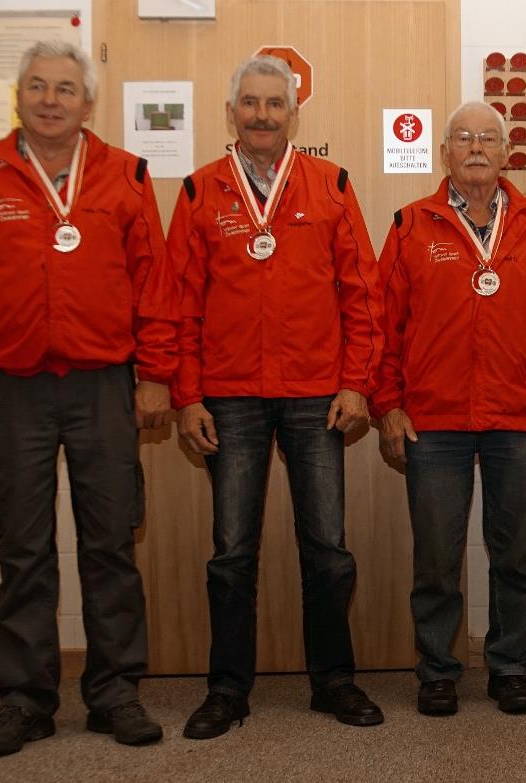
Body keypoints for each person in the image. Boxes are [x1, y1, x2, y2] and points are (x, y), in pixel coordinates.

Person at [0, 40, 176, 756]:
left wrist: (156, 373)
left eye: (66, 89)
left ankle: (115, 691)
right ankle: (26, 699)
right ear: (19, 95)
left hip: (104, 384)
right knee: (24, 547)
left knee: (110, 544)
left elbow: (153, 283)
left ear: (88, 103)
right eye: (37, 86)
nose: (50, 100)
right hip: (13, 387)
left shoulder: (125, 175)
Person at [168, 55, 385, 738]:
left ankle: (334, 681)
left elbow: (363, 293)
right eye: (250, 103)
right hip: (228, 396)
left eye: (274, 104)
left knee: (327, 547)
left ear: (294, 114)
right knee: (231, 550)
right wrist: (187, 395)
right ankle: (227, 689)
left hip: (315, 392)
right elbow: (179, 305)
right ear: (231, 112)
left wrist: (357, 380)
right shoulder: (201, 192)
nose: (262, 114)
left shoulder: (331, 184)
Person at [372, 101, 526, 716]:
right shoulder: (411, 225)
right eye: (463, 137)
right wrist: (388, 404)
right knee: (437, 557)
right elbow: (383, 325)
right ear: (445, 151)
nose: (475, 147)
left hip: (516, 417)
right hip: (432, 421)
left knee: (513, 554)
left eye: (488, 138)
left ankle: (510, 667)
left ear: (505, 153)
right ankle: (438, 670)